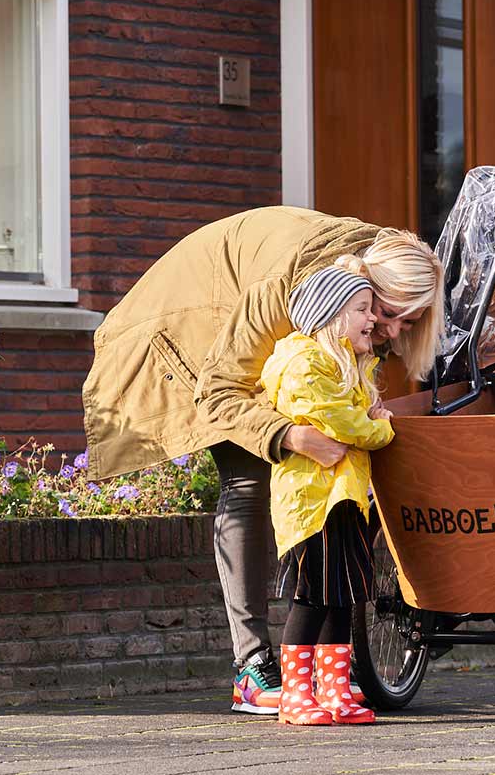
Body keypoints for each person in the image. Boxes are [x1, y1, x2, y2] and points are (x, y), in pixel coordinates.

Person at [81, 208, 443, 715]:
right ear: (363, 288)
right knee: (249, 482)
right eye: (390, 314)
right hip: (192, 332)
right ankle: (252, 668)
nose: (396, 331)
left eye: (410, 321)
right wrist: (290, 434)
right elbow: (222, 390)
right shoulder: (283, 292)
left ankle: (324, 674)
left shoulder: (359, 298)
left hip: (275, 326)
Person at [259, 260, 395, 725]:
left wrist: (369, 411)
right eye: (362, 309)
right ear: (331, 315)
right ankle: (297, 693)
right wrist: (379, 429)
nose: (373, 319)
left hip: (345, 498)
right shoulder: (303, 363)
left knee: (344, 594)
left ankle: (333, 688)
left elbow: (353, 416)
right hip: (313, 503)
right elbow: (341, 422)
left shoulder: (348, 370)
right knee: (312, 594)